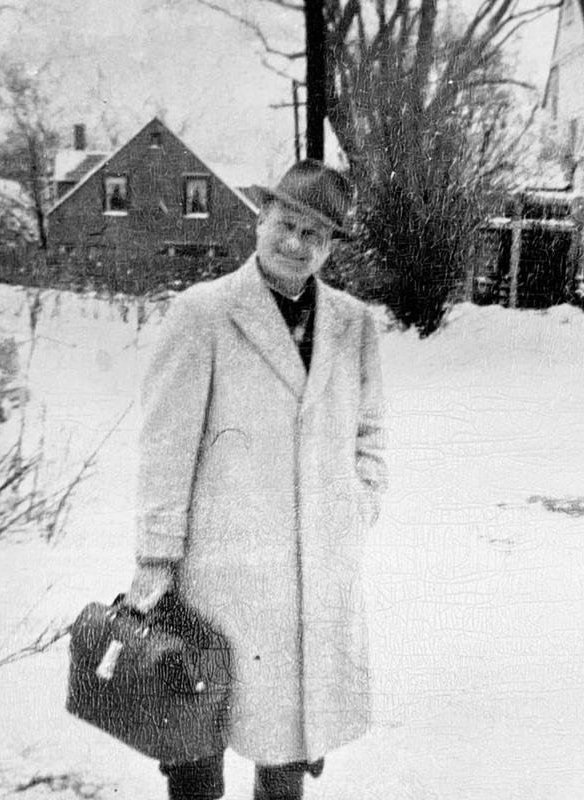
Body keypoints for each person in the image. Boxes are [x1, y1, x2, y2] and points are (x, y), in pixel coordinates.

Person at [125, 160, 387, 800]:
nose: (297, 243)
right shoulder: (203, 313)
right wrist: (157, 555)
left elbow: (371, 434)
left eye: (316, 235)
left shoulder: (354, 323)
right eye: (287, 224)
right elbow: (165, 445)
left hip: (315, 564)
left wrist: (356, 502)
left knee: (289, 737)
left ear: (330, 247)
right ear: (260, 217)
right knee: (198, 722)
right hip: (222, 565)